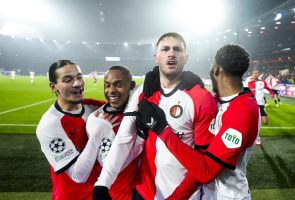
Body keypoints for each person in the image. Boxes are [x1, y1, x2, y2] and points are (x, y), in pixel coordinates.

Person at [93, 32, 217, 199]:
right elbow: (124, 138)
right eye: (165, 49)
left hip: (185, 196)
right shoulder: (143, 92)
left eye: (177, 49)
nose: (171, 53)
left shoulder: (201, 98)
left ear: (186, 57)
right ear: (156, 57)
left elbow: (205, 163)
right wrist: (103, 183)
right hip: (144, 192)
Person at [137, 44, 260, 200]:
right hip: (208, 194)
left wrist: (161, 129)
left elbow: (206, 171)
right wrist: (165, 76)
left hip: (228, 196)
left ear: (216, 70)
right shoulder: (221, 101)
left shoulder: (243, 112)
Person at [36, 60, 112, 200]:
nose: (77, 84)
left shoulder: (93, 107)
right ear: (53, 87)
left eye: (79, 77)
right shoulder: (49, 124)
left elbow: (125, 107)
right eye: (68, 80)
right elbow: (78, 176)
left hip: (102, 194)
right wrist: (98, 132)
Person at [86, 65, 144, 200]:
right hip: (111, 194)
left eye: (118, 85)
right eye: (107, 85)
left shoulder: (143, 113)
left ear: (131, 86)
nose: (111, 90)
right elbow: (110, 162)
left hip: (142, 192)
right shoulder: (97, 119)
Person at [247, 70, 274, 145]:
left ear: (259, 74)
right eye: (254, 73)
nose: (255, 75)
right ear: (252, 74)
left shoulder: (262, 82)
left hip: (261, 105)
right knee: (252, 122)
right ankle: (257, 137)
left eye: (257, 73)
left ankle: (256, 136)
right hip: (251, 105)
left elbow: (268, 88)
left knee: (265, 122)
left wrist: (272, 94)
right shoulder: (248, 83)